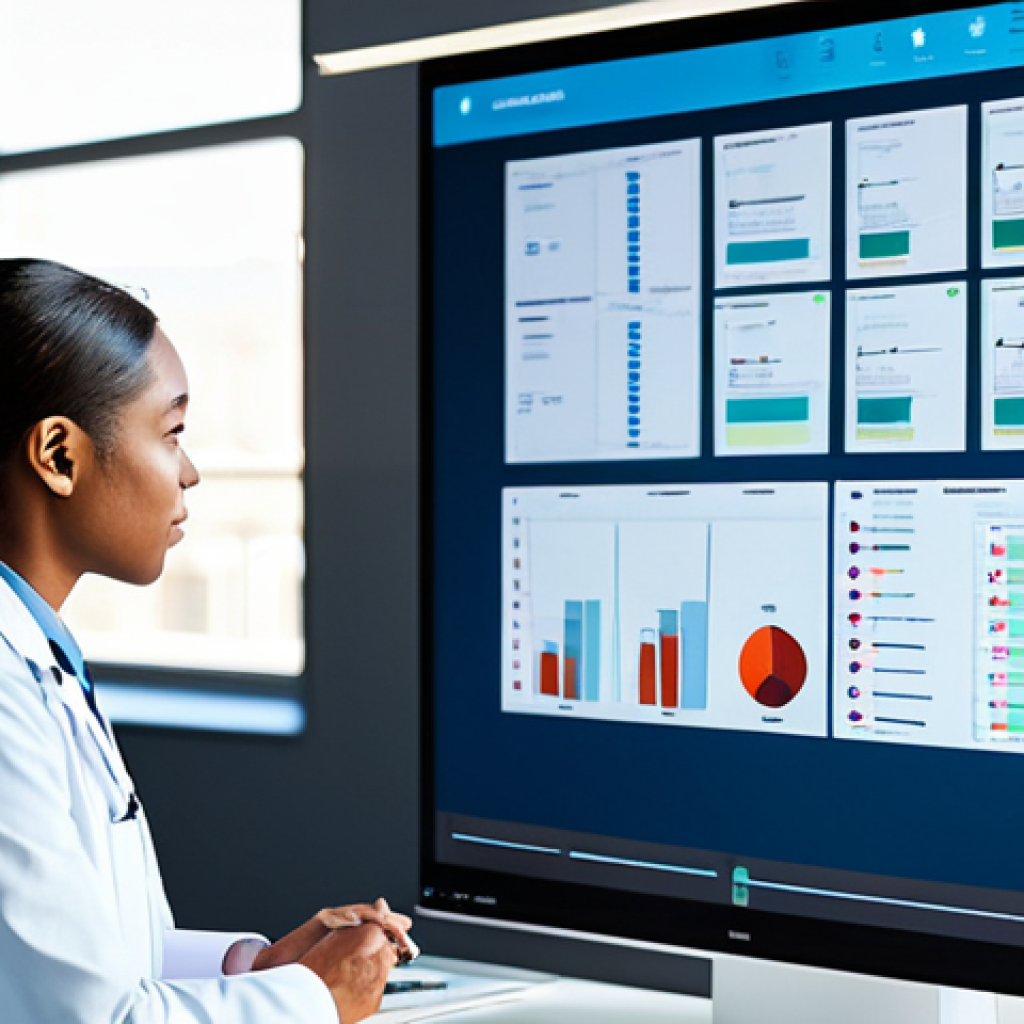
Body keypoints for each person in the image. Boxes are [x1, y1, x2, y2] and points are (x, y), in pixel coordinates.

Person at [0, 258, 414, 1024]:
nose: (188, 473)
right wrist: (313, 999)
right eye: (172, 432)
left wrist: (254, 966)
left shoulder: (39, 659)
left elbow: (67, 956)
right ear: (60, 456)